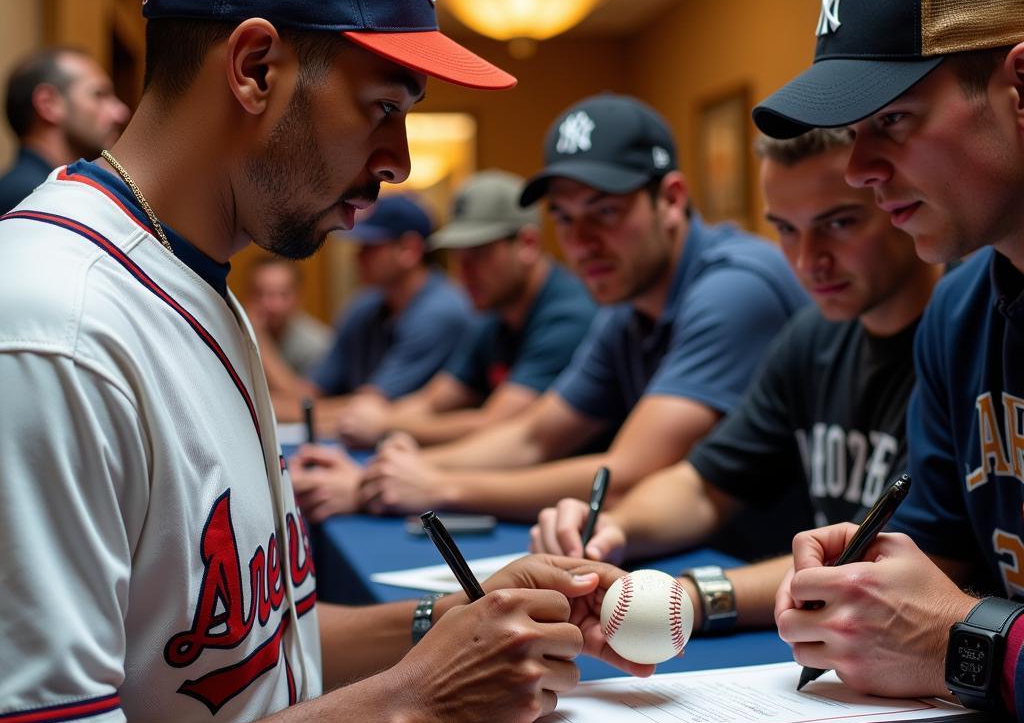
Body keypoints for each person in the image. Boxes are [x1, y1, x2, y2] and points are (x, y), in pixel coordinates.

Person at [0, 0, 648, 723]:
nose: (396, 161)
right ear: (255, 66)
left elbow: (261, 655)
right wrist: (412, 707)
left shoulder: (196, 281)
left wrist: (467, 616)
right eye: (384, 104)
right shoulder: (52, 328)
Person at [751, 0, 1024, 717]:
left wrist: (962, 642)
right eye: (853, 132)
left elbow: (953, 624)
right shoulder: (961, 309)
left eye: (894, 121)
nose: (861, 170)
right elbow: (948, 558)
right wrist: (864, 581)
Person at [531, 127, 941, 633]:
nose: (808, 260)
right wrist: (615, 529)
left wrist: (691, 596)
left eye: (838, 223)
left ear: (900, 203)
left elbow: (884, 557)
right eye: (786, 230)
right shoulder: (812, 335)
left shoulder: (955, 335)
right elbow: (704, 485)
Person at [359, 93, 808, 520]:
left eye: (605, 212)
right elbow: (533, 438)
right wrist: (394, 472)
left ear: (671, 200)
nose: (581, 244)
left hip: (783, 570)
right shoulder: (626, 305)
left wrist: (438, 486)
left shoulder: (734, 288)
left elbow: (626, 475)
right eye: (565, 217)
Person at [293, 172, 598, 519]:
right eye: (458, 255)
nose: (464, 271)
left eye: (479, 254)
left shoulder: (569, 314)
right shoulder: (490, 313)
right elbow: (435, 399)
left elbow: (502, 426)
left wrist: (384, 435)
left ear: (527, 245)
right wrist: (391, 442)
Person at [265, 193, 474, 428]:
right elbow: (308, 393)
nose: (358, 256)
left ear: (409, 250)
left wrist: (273, 410)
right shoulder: (364, 306)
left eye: (371, 246)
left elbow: (367, 414)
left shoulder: (440, 312)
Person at [0, 46, 130, 212]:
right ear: (49, 104)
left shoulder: (50, 190)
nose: (120, 113)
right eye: (99, 95)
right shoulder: (32, 197)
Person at [245, 254, 332, 376]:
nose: (269, 304)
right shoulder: (235, 335)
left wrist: (260, 338)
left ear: (298, 298)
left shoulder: (317, 345)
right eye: (259, 293)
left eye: (281, 295)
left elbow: (306, 394)